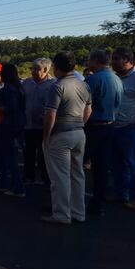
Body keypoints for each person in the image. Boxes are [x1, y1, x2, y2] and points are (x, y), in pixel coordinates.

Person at [41, 52, 92, 224]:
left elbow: (50, 114)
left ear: (56, 67)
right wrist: (80, 124)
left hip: (61, 134)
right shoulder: (83, 85)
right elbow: (88, 110)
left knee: (60, 176)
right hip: (79, 132)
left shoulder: (57, 86)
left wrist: (46, 136)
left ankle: (62, 214)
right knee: (77, 174)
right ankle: (78, 212)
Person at [84, 49, 123, 215]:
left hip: (94, 126)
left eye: (89, 60)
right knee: (101, 166)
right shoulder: (117, 79)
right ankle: (97, 204)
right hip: (110, 125)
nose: (88, 63)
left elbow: (85, 105)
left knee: (77, 163)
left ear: (96, 61)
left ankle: (73, 203)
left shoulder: (93, 80)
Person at [111, 47, 135, 210]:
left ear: (127, 60)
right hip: (115, 126)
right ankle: (121, 193)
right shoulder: (115, 78)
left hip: (132, 128)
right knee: (117, 164)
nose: (113, 62)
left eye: (116, 58)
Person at [0, 64, 25, 197]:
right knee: (6, 155)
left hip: (8, 125)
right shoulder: (19, 87)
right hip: (16, 124)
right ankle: (3, 182)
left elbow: (10, 108)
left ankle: (17, 187)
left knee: (9, 157)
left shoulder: (9, 89)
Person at [21, 58, 55, 185]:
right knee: (28, 152)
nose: (33, 71)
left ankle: (46, 178)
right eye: (32, 68)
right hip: (28, 125)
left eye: (36, 69)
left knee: (44, 154)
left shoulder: (53, 84)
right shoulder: (27, 83)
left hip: (44, 126)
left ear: (45, 70)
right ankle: (29, 176)